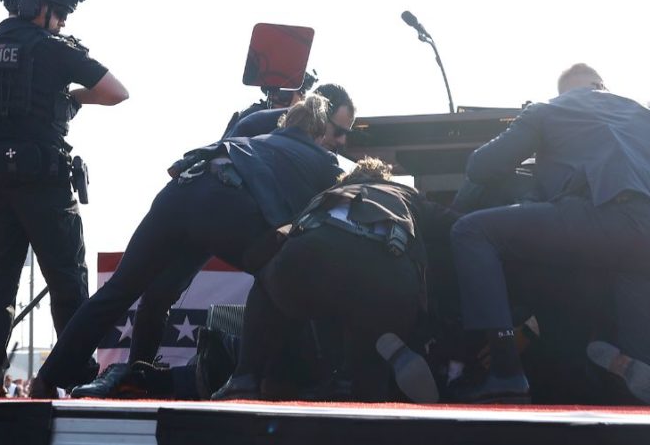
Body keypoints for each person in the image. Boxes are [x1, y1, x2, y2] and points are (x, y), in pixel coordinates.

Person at [448, 63, 650, 403]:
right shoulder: (649, 111)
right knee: (644, 369)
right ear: (603, 85)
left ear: (565, 92)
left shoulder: (550, 109)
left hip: (606, 220)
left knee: (472, 231)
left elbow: (481, 167)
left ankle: (506, 370)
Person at [34, 95, 346, 397]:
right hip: (224, 208)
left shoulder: (256, 138)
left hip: (181, 191)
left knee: (120, 290)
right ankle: (251, 376)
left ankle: (52, 377)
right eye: (339, 133)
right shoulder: (324, 160)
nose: (341, 141)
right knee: (275, 276)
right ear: (318, 132)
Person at [0, 0, 128, 396]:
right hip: (44, 182)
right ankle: (76, 375)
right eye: (60, 13)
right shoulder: (54, 49)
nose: (63, 22)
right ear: (36, 8)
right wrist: (70, 98)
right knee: (67, 282)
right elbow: (116, 92)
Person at [213, 157, 458, 402]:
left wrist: (261, 268)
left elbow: (273, 242)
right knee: (372, 337)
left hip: (316, 255)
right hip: (389, 278)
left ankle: (245, 378)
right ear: (385, 180)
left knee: (270, 284)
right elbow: (457, 225)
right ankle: (363, 378)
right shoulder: (405, 194)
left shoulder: (331, 194)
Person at [225, 83, 354, 148]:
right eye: (338, 132)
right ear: (320, 117)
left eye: (347, 134)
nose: (342, 141)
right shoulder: (255, 122)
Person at [221, 70, 318, 138]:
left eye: (283, 94)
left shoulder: (305, 128)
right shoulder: (254, 115)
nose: (273, 98)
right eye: (270, 91)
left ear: (302, 97)